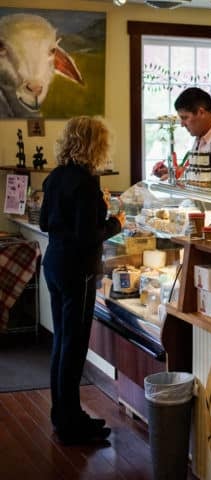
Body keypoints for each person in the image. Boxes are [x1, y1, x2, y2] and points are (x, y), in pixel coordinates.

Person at [40, 116, 125, 445]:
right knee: (73, 348)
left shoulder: (56, 176)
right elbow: (90, 236)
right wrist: (115, 221)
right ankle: (72, 423)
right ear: (95, 145)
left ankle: (63, 415)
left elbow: (47, 222)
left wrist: (95, 211)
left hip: (54, 263)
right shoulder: (88, 182)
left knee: (61, 343)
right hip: (79, 270)